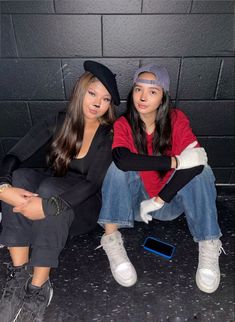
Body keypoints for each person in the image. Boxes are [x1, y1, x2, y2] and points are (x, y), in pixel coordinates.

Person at [0, 60, 120, 322]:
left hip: (83, 207)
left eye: (106, 98)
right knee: (19, 178)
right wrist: (3, 187)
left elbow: (92, 185)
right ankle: (20, 274)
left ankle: (39, 286)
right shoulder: (57, 121)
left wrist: (47, 206)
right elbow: (15, 155)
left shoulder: (109, 135)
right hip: (49, 190)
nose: (98, 103)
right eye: (92, 93)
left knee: (49, 187)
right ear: (80, 91)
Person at [97, 64, 224, 294]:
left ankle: (208, 243)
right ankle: (111, 240)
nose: (143, 97)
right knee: (117, 169)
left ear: (163, 96)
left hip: (168, 203)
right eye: (138, 89)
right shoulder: (124, 123)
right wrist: (175, 161)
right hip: (135, 206)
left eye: (152, 92)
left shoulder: (176, 119)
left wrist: (159, 199)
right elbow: (123, 160)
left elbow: (196, 163)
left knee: (202, 171)